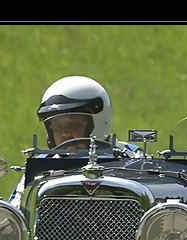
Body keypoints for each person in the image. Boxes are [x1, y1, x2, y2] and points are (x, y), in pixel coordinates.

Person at [10, 76, 142, 205]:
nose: (65, 134)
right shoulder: (40, 167)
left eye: (73, 125)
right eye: (57, 127)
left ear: (99, 122)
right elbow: (15, 210)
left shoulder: (132, 157)